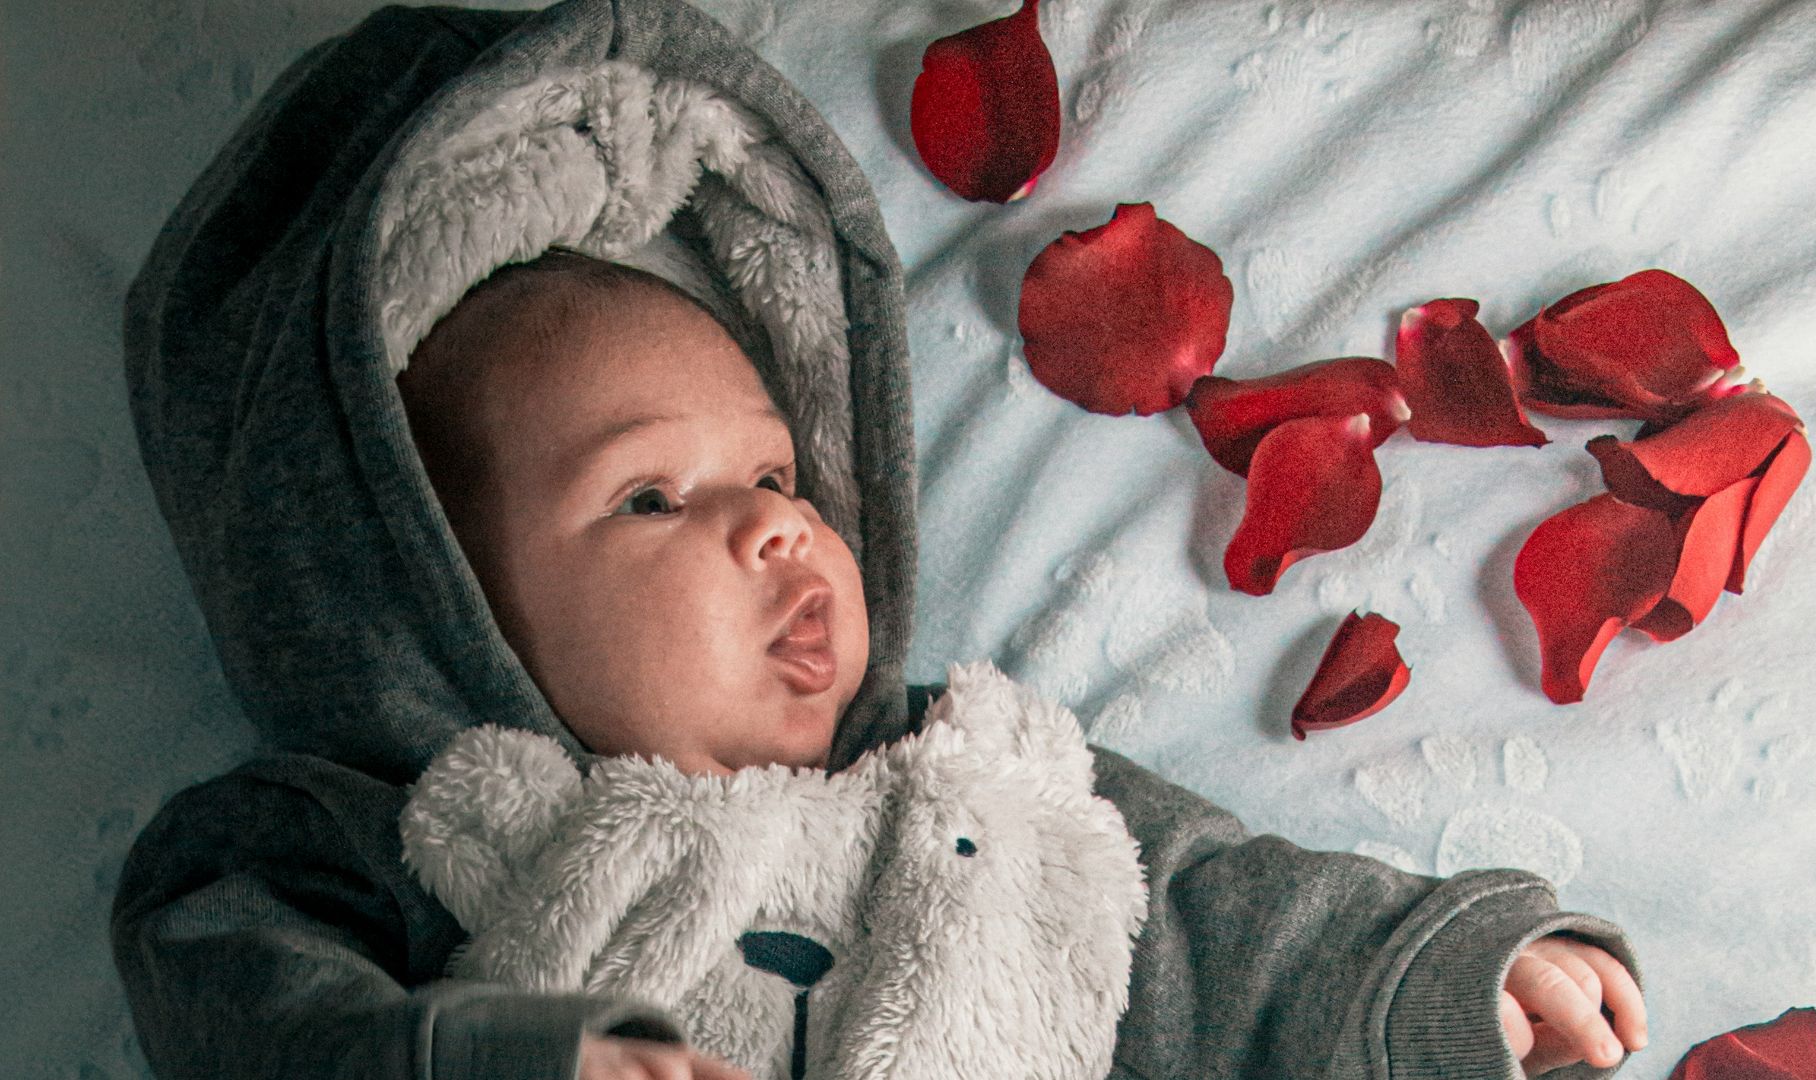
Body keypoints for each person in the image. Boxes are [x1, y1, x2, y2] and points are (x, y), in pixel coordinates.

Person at [110, 2, 1648, 1079]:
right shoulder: (413, 842)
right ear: (438, 597)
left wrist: (1446, 981)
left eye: (777, 472)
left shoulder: (984, 792)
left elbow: (1218, 925)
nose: (775, 525)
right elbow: (235, 998)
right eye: (653, 497)